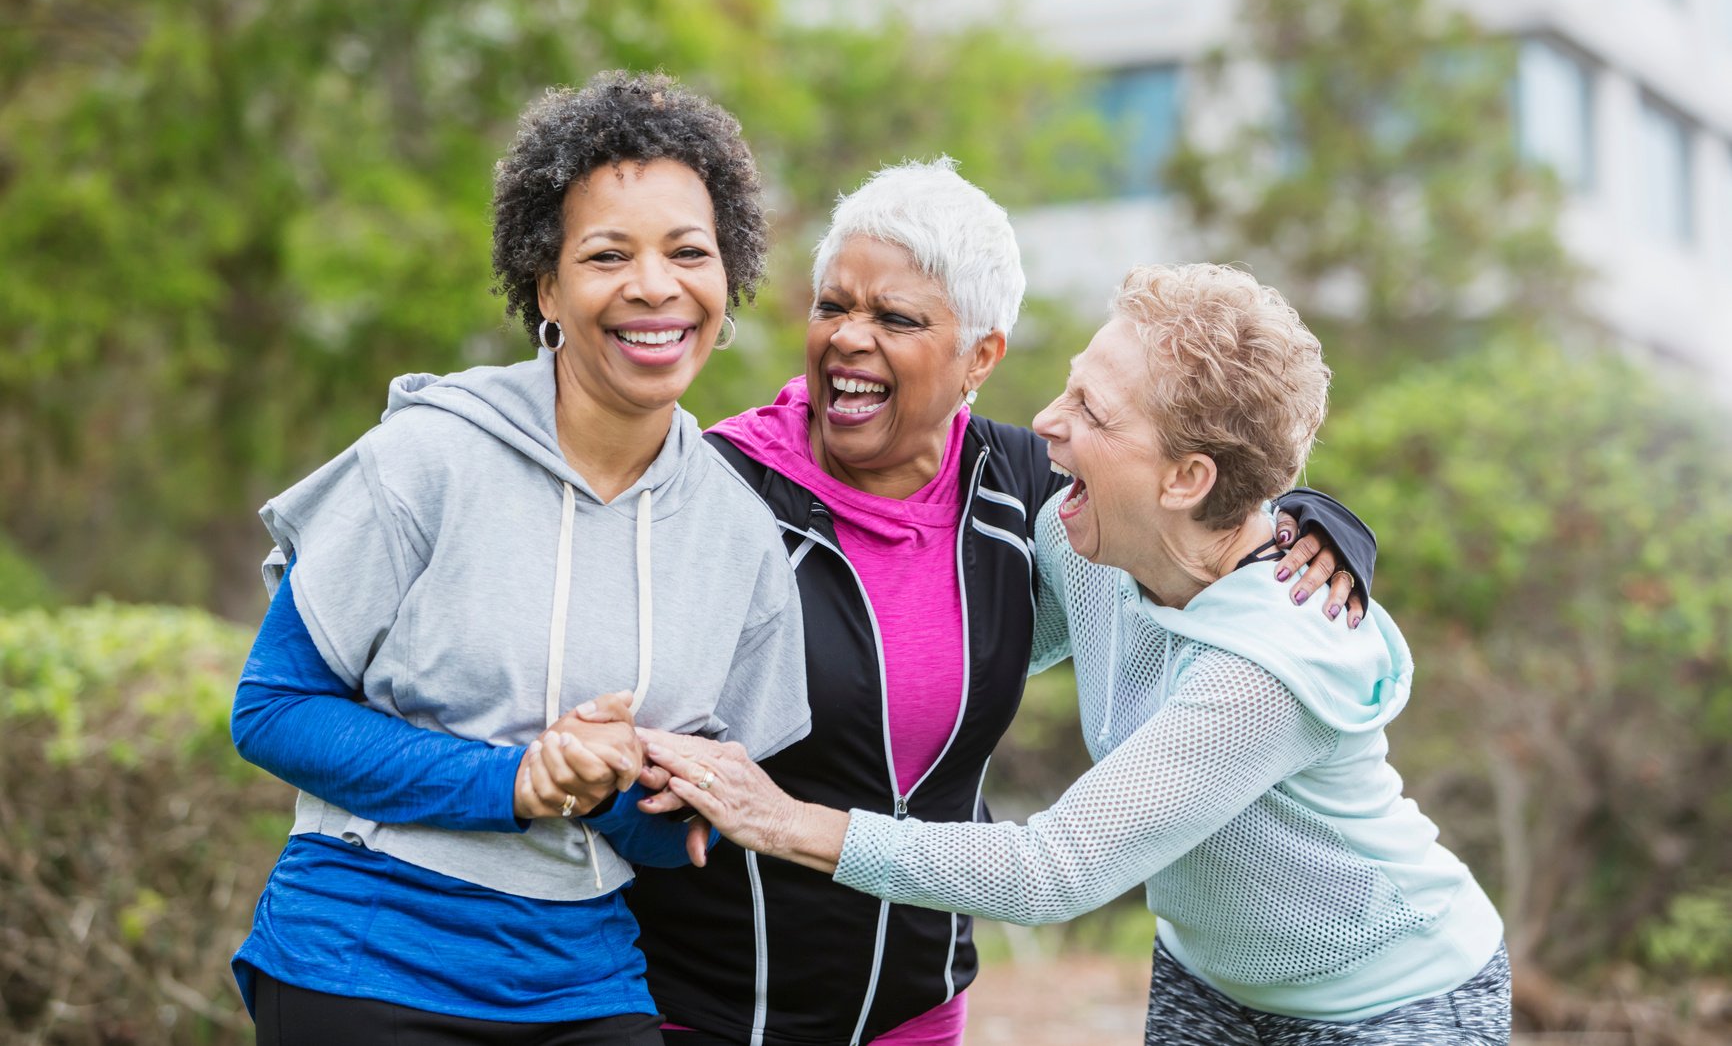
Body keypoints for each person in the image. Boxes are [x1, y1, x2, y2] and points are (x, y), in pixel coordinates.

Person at [640, 263, 1509, 1045]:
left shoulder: (1267, 664)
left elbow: (1053, 870)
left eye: (1092, 411)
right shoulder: (1094, 540)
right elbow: (963, 633)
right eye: (1070, 389)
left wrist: (785, 819)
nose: (1046, 425)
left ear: (1186, 479)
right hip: (1209, 981)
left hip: (1395, 998)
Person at [228, 71, 811, 1045]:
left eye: (687, 252)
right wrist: (514, 783)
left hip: (582, 977)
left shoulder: (738, 537)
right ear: (547, 286)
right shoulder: (427, 458)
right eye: (607, 255)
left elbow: (679, 839)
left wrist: (620, 782)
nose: (654, 287)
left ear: (728, 278)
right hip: (366, 951)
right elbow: (272, 710)